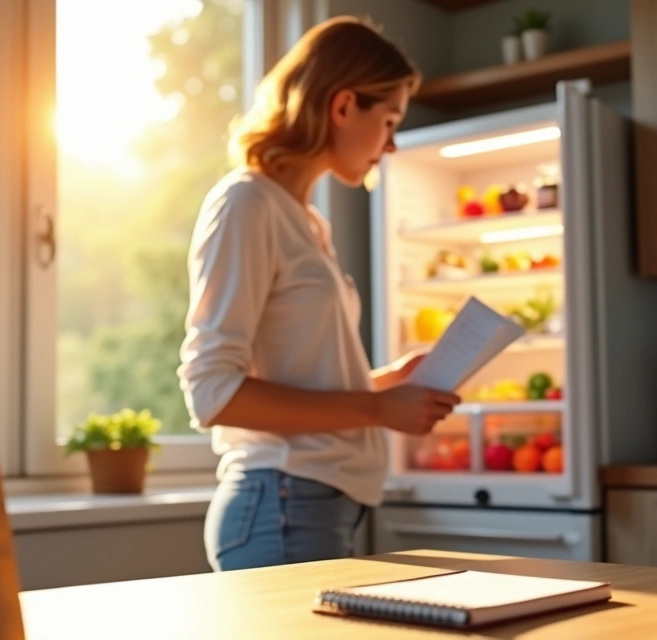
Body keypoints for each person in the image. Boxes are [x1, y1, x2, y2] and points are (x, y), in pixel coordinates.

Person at [177, 16, 461, 573]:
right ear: (343, 106)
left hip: (310, 507)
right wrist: (377, 407)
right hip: (281, 504)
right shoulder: (247, 203)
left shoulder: (306, 222)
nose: (392, 144)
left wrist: (386, 383)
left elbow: (299, 380)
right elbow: (213, 393)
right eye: (389, 121)